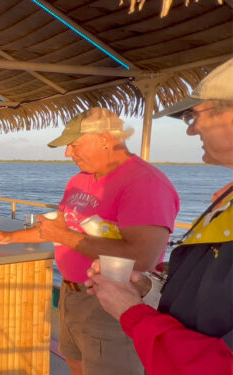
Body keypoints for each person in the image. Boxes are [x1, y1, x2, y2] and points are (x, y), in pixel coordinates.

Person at [0, 107, 180, 375]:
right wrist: (8, 238)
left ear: (105, 139)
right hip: (72, 294)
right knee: (76, 364)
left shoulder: (144, 183)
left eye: (73, 144)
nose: (68, 153)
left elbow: (141, 258)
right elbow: (57, 229)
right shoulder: (79, 181)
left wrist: (65, 236)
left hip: (113, 302)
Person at [85, 59, 233, 375]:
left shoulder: (145, 181)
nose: (192, 129)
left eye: (195, 115)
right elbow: (211, 305)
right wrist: (148, 291)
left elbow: (217, 365)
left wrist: (131, 312)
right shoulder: (225, 203)